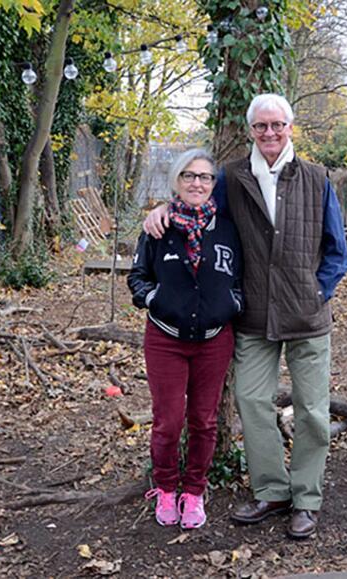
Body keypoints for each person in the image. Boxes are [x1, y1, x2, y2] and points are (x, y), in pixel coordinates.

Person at [144, 94, 347, 539]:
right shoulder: (232, 176)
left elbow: (337, 251)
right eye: (261, 127)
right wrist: (160, 209)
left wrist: (318, 292)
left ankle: (307, 498)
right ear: (252, 130)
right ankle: (272, 489)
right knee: (253, 403)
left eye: (277, 125)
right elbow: (193, 203)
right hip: (255, 316)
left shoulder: (317, 178)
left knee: (313, 412)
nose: (269, 134)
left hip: (307, 318)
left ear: (290, 127)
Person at [128, 148, 243, 530]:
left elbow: (242, 278)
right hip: (165, 339)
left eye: (205, 177)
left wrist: (231, 303)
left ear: (214, 184)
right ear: (177, 181)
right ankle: (164, 487)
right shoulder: (158, 228)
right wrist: (154, 299)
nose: (197, 183)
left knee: (204, 421)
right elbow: (137, 278)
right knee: (168, 421)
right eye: (189, 176)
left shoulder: (228, 227)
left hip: (214, 339)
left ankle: (193, 491)